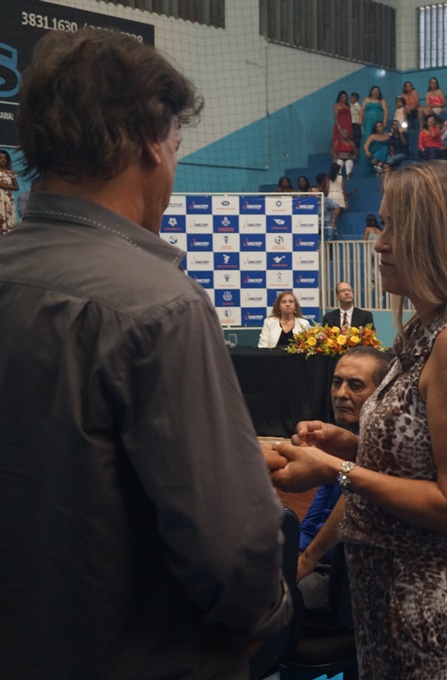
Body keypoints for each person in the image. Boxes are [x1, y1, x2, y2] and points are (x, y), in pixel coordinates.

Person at [0, 29, 291, 678]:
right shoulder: (161, 306)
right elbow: (234, 550)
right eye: (178, 146)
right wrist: (263, 620)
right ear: (150, 142)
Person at [265, 160, 447, 678]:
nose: (379, 244)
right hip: (397, 592)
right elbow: (423, 458)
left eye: (394, 228)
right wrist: (348, 445)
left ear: (440, 239)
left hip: (436, 599)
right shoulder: (424, 332)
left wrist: (334, 470)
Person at [297, 348, 392, 611]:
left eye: (356, 385)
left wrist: (306, 559)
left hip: (346, 582)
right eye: (337, 382)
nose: (341, 393)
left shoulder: (384, 451)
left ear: (383, 393)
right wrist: (297, 551)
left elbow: (352, 502)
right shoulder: (341, 442)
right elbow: (316, 515)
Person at [331, 90, 354, 163]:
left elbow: (350, 116)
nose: (344, 98)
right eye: (342, 97)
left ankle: (348, 156)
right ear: (339, 97)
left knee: (348, 138)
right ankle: (336, 158)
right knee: (338, 138)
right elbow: (335, 116)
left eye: (345, 97)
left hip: (348, 124)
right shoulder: (337, 105)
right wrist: (338, 125)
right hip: (340, 123)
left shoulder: (348, 106)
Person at [0, 149, 17, 234]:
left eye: (5, 158)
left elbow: (16, 187)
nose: (3, 160)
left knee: (8, 217)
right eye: (0, 158)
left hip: (8, 199)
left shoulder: (11, 172)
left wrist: (6, 186)